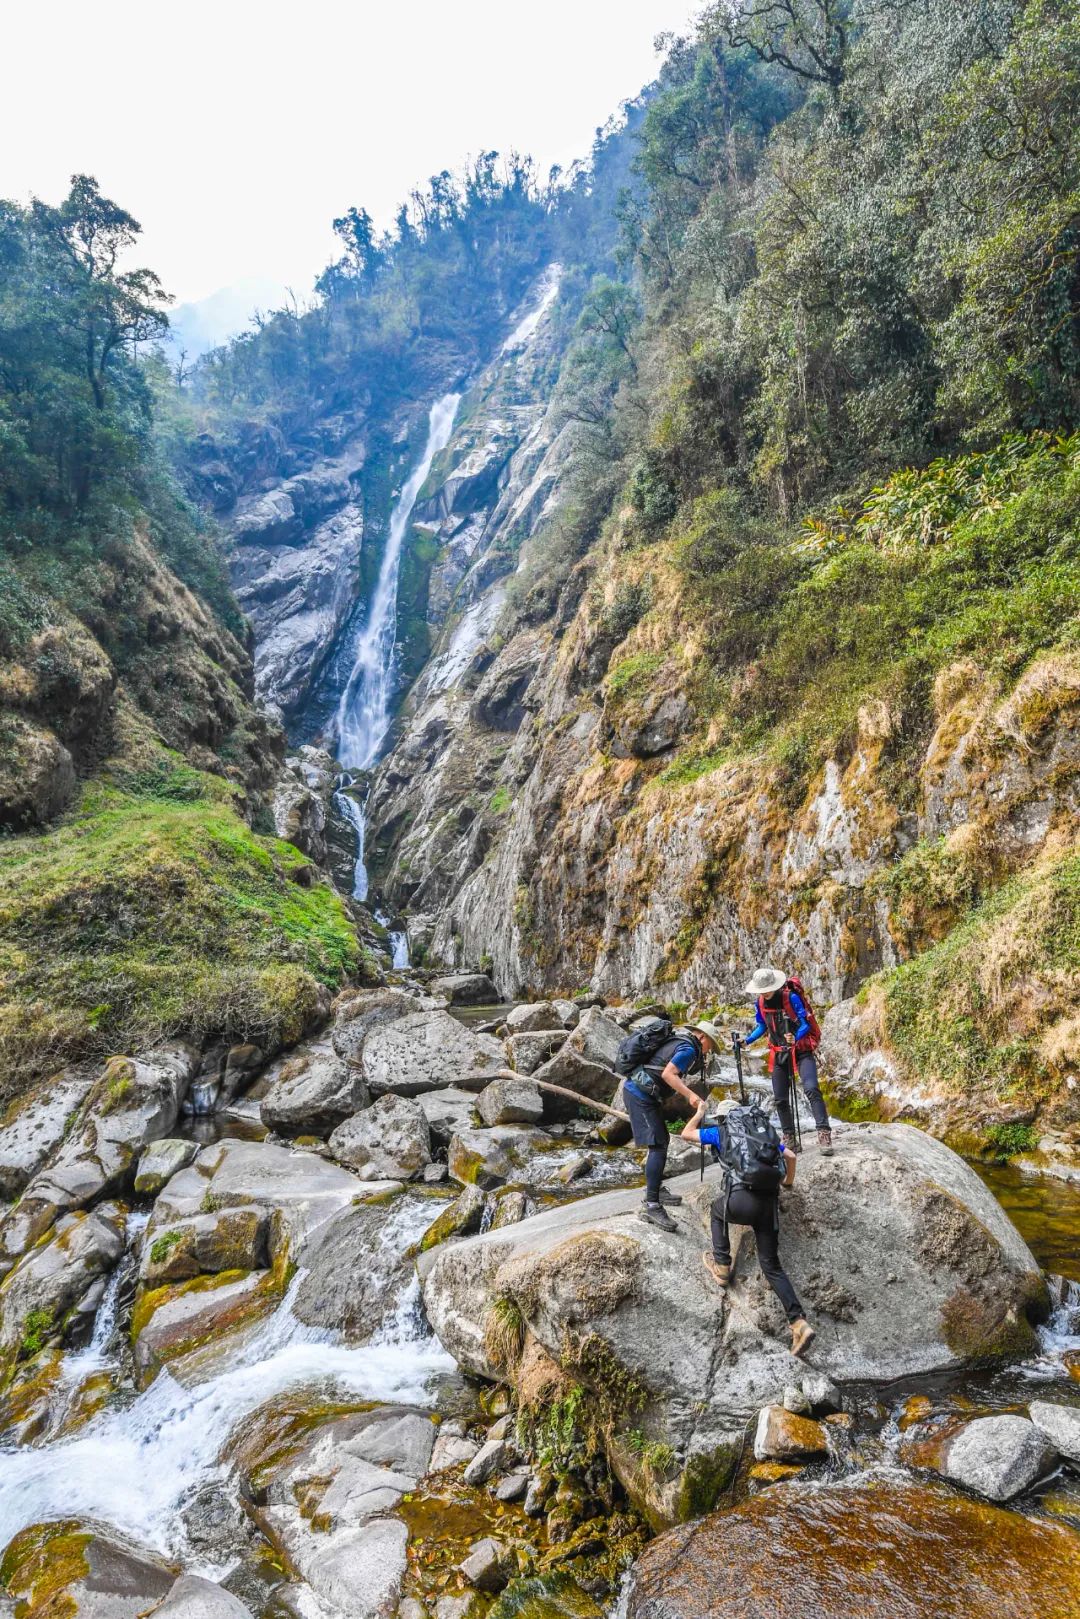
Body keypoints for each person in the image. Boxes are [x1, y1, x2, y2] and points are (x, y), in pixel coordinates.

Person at [681, 1098, 815, 1357]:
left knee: (717, 1212)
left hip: (741, 1200)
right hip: (768, 1205)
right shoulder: (762, 1132)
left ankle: (722, 1267)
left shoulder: (721, 1130)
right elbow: (790, 1155)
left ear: (724, 1118)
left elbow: (686, 1134)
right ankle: (799, 1321)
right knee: (772, 1266)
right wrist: (788, 1182)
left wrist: (698, 1112)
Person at [623, 1020, 723, 1231]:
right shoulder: (688, 1049)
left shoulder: (681, 1041)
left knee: (662, 1140)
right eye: (710, 1045)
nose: (709, 1051)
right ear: (702, 1037)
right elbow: (668, 1074)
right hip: (639, 1093)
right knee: (658, 1144)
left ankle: (656, 1190)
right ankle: (651, 1205)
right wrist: (691, 1096)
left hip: (641, 1090)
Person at [739, 966, 832, 1154]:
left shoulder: (791, 998)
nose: (763, 993)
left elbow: (804, 1024)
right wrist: (746, 1040)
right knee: (780, 1099)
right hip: (779, 1052)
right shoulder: (760, 1003)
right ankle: (789, 1137)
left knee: (811, 1088)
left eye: (765, 989)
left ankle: (824, 1133)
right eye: (760, 990)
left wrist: (795, 1037)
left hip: (800, 1051)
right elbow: (762, 1026)